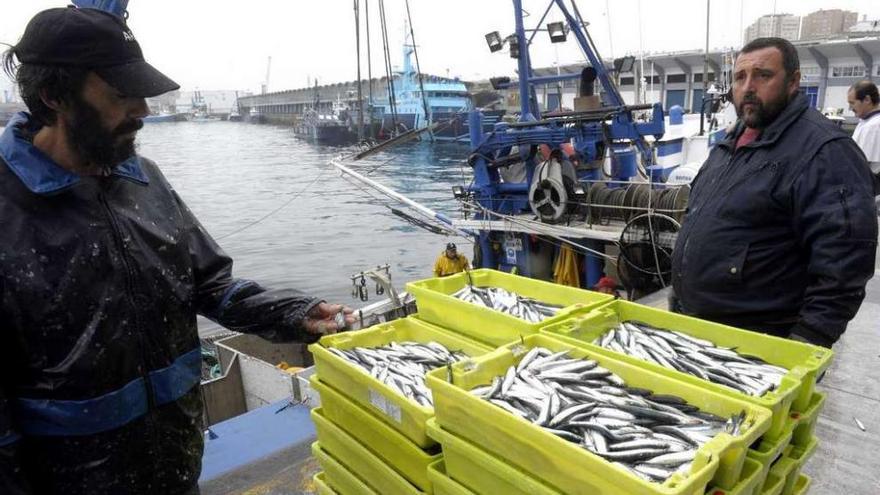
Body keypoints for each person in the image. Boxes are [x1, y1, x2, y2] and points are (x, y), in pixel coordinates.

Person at [0, 7, 353, 494]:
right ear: (54, 96)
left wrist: (298, 313)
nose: (142, 111)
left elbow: (212, 287)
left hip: (177, 466)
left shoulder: (143, 178)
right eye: (122, 95)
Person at [670, 37, 877, 349]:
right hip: (698, 329)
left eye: (762, 75)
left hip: (759, 342)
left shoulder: (824, 152)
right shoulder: (731, 143)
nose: (748, 87)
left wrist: (807, 341)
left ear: (793, 82)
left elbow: (845, 262)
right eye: (740, 77)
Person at [848, 80, 880, 193]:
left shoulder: (874, 126)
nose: (850, 108)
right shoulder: (866, 121)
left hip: (869, 189)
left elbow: (861, 165)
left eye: (852, 103)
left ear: (867, 100)